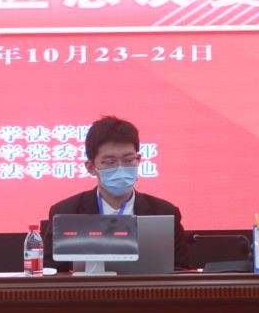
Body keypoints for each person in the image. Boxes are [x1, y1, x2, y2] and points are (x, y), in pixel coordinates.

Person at [42, 116, 190, 271]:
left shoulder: (164, 212)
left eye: (128, 160)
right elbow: (50, 272)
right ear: (91, 168)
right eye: (109, 162)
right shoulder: (67, 211)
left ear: (138, 160)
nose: (120, 168)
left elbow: (182, 271)